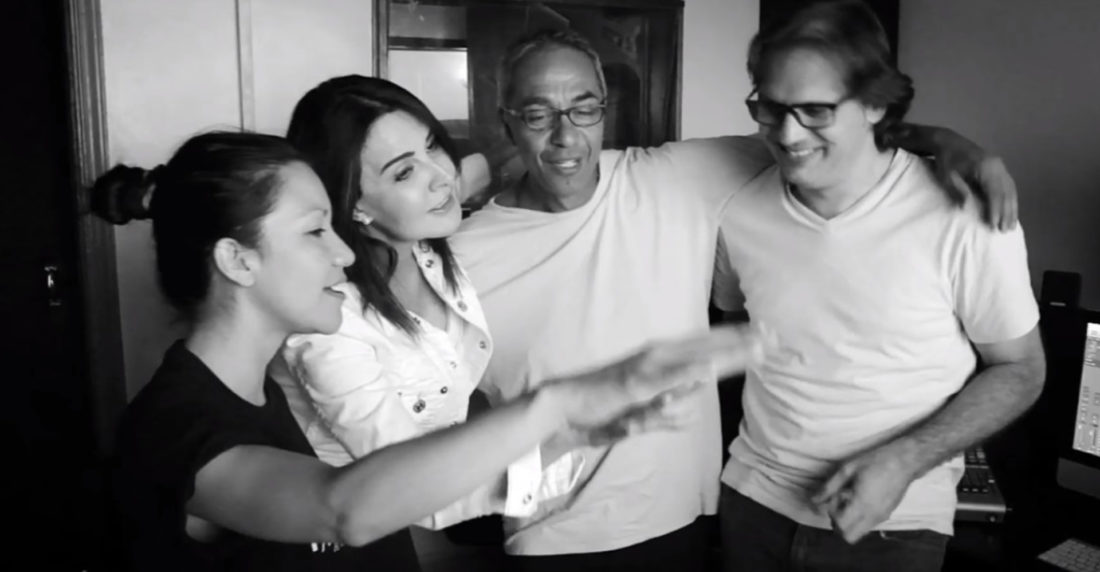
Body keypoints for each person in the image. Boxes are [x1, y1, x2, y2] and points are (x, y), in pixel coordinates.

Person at [448, 27, 1022, 571]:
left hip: (689, 523)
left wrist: (946, 143)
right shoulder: (460, 258)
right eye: (537, 114)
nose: (565, 135)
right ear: (507, 122)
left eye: (584, 108)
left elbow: (825, 132)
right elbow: (443, 427)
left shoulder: (675, 177)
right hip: (551, 540)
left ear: (604, 109)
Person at [99, 131, 766, 571]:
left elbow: (412, 491)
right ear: (237, 260)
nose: (343, 254)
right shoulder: (175, 426)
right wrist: (554, 404)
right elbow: (343, 508)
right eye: (314, 232)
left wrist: (562, 440)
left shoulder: (271, 392)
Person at [712, 2, 1046, 571]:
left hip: (896, 526)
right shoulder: (737, 208)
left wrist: (905, 459)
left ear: (875, 103)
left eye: (816, 110)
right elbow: (740, 325)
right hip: (750, 504)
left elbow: (1021, 369)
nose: (787, 133)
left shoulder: (964, 215)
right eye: (769, 106)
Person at [271, 76, 589, 531]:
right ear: (353, 204)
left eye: (433, 146)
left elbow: (473, 170)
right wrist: (564, 438)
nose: (441, 177)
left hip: (396, 531)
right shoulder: (330, 326)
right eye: (404, 172)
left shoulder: (425, 248)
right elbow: (405, 490)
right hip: (330, 539)